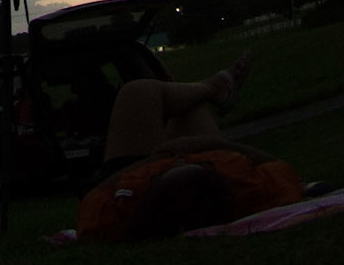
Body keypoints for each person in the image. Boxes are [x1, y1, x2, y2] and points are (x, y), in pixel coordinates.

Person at [75, 53, 305, 242]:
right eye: (198, 163)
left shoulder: (118, 213)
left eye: (163, 175)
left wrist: (159, 158)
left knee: (140, 92)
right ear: (215, 173)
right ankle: (215, 88)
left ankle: (213, 88)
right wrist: (208, 145)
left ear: (152, 188)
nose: (183, 158)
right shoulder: (250, 189)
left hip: (133, 169)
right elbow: (276, 164)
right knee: (188, 107)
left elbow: (95, 194)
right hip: (203, 157)